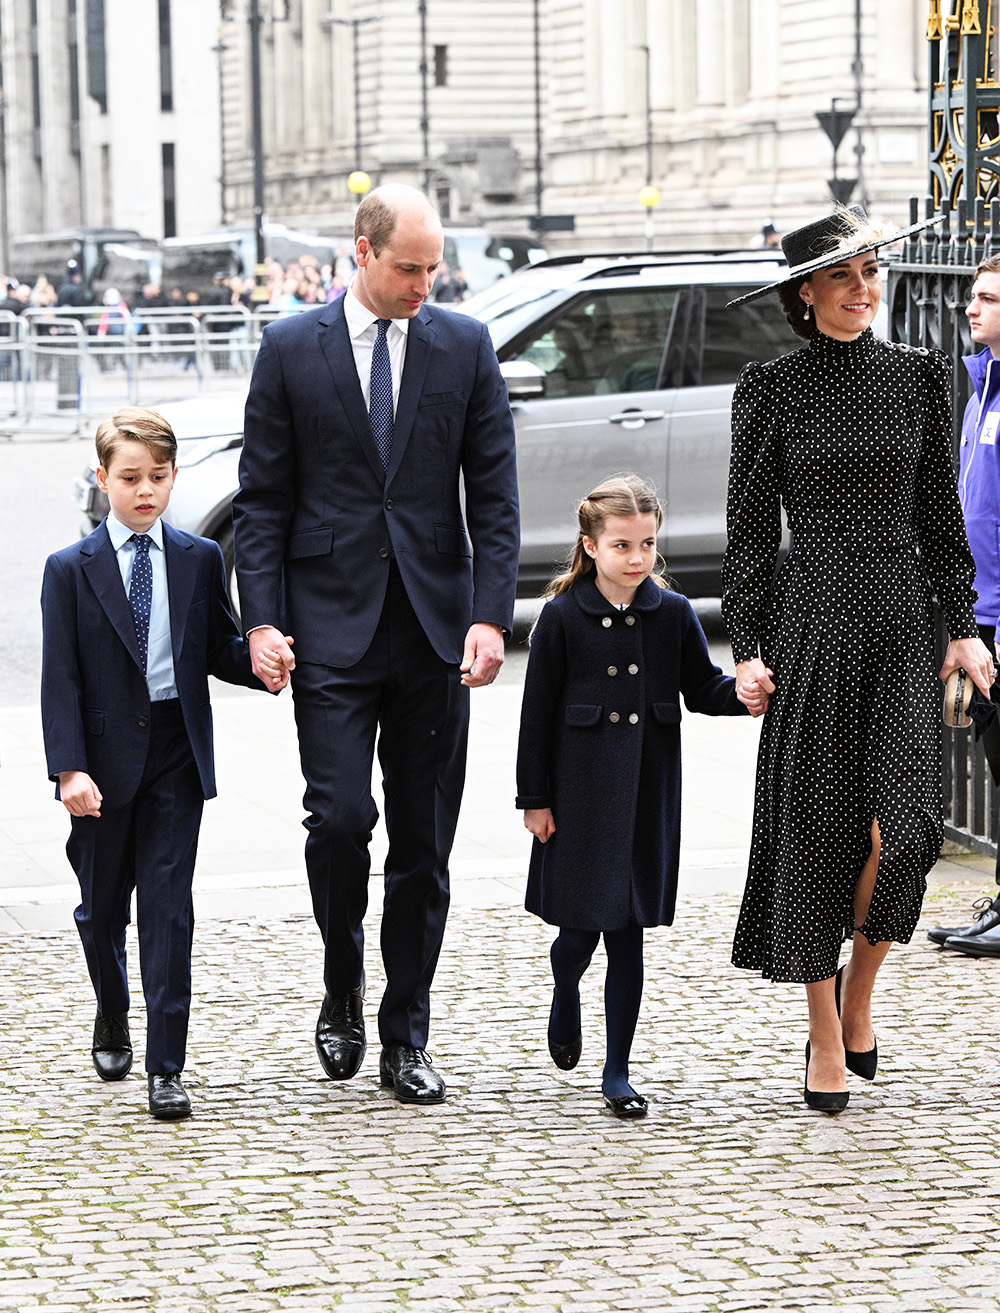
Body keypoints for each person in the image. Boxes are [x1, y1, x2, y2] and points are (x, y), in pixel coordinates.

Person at [233, 183, 520, 1105]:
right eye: (408, 267)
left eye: (434, 268)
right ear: (362, 253)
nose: (423, 285)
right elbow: (264, 502)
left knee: (425, 842)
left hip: (435, 630)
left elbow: (496, 499)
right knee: (342, 820)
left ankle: (407, 1032)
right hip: (329, 629)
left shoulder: (464, 345)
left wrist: (488, 614)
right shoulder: (289, 349)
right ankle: (341, 979)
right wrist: (263, 620)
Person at [723, 204, 995, 1113]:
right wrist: (748, 649)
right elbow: (751, 534)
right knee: (816, 832)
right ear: (805, 294)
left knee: (907, 831)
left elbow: (941, 517)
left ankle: (860, 992)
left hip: (901, 619)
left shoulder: (920, 378)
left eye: (871, 272)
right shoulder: (772, 387)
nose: (862, 289)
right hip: (810, 625)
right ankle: (824, 1031)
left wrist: (961, 626)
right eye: (842, 276)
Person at [40, 408, 288, 1120]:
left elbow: (218, 646)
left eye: (157, 476)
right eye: (129, 478)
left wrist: (262, 663)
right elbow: (60, 679)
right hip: (102, 765)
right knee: (101, 907)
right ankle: (111, 1010)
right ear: (103, 479)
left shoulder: (197, 557)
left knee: (168, 910)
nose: (144, 490)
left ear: (174, 477)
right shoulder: (70, 570)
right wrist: (69, 770)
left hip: (177, 751)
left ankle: (165, 1064)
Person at [515, 475, 750, 1119]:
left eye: (647, 543)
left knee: (628, 936)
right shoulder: (561, 618)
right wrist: (534, 800)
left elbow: (702, 688)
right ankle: (565, 984)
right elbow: (536, 717)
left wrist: (747, 693)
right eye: (622, 545)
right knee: (579, 933)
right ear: (590, 546)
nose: (638, 558)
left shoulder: (671, 614)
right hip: (579, 796)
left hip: (647, 794)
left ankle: (616, 1070)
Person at [928, 253, 1000, 956]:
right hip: (977, 605)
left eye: (988, 298)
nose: (972, 308)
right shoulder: (982, 386)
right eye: (974, 296)